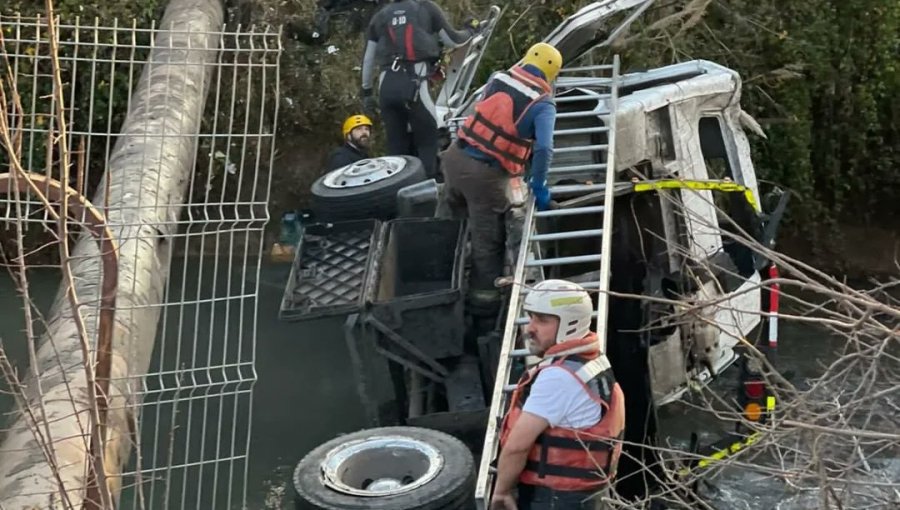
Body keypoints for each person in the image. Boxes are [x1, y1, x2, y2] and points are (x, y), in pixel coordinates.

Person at [437, 42, 561, 313]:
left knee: (448, 228)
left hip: (453, 159)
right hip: (483, 177)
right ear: (552, 74)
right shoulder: (543, 104)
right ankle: (484, 309)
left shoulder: (499, 78)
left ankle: (436, 285)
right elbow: (544, 148)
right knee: (487, 243)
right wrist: (539, 186)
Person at [492, 279, 626, 510]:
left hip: (556, 500)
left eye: (542, 320)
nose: (530, 327)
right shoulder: (592, 360)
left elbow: (517, 447)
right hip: (588, 497)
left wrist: (501, 492)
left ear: (570, 324)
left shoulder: (558, 378)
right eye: (531, 316)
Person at [360, 0, 479, 179]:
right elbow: (452, 40)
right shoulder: (425, 7)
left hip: (386, 89)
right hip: (413, 86)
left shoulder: (380, 16)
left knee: (396, 148)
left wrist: (367, 92)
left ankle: (400, 193)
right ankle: (427, 193)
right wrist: (470, 30)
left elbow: (368, 59)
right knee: (428, 141)